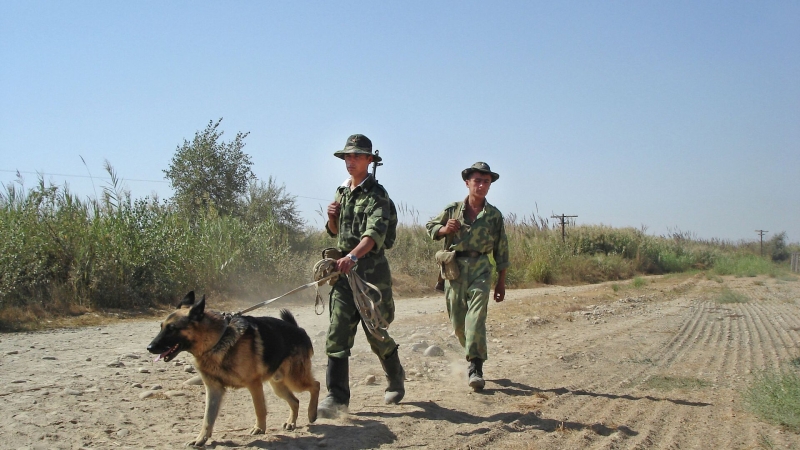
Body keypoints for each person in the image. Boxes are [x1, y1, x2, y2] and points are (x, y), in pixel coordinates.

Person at [317, 134, 405, 419]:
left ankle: (395, 375)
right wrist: (331, 217)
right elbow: (335, 232)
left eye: (356, 156)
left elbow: (374, 235)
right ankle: (337, 397)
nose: (350, 161)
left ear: (370, 160)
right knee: (337, 333)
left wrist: (353, 256)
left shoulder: (378, 196)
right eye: (347, 156)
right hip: (344, 277)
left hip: (370, 276)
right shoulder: (341, 193)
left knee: (376, 333)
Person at [425, 162, 509, 391]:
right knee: (459, 323)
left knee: (476, 318)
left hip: (481, 267)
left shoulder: (494, 216)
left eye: (486, 182)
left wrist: (500, 282)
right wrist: (444, 230)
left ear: (490, 185)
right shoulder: (453, 210)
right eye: (477, 181)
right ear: (467, 183)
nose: (481, 185)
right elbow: (430, 226)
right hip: (454, 269)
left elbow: (501, 249)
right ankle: (472, 353)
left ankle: (476, 367)